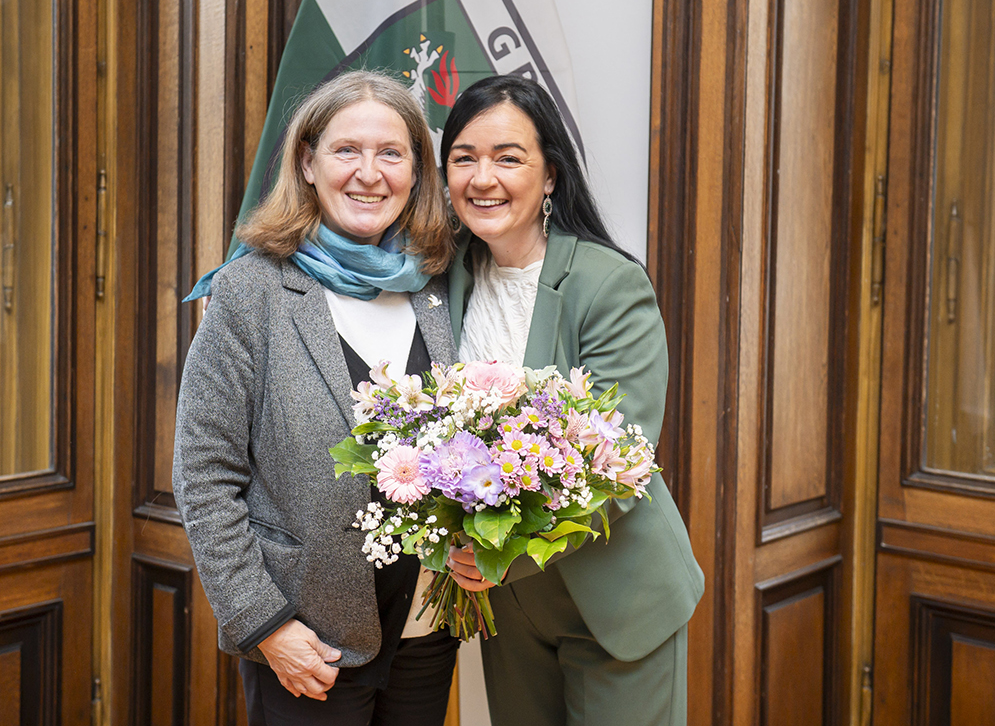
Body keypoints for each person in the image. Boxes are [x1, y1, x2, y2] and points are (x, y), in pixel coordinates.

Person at [173, 70, 459, 726]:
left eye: (391, 153)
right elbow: (203, 476)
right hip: (308, 638)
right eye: (346, 150)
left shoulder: (435, 285)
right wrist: (264, 624)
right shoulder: (250, 292)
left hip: (425, 630)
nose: (369, 172)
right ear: (307, 161)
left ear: (416, 171)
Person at [439, 75, 704, 726]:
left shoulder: (608, 284)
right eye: (464, 158)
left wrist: (501, 557)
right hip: (507, 610)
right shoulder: (439, 280)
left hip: (616, 597)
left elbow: (620, 460)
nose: (482, 177)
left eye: (508, 157)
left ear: (551, 175)